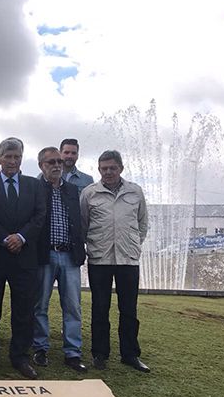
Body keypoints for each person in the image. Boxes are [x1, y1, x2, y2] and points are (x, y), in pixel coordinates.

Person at [0, 137, 46, 379]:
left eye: (17, 156)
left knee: (24, 310)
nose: (12, 161)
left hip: (25, 258)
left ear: (21, 159)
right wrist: (5, 238)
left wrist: (21, 237)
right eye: (8, 156)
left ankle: (20, 357)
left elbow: (39, 216)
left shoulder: (34, 186)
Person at [80, 150, 150, 372]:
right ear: (99, 169)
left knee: (128, 309)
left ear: (121, 168)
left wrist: (134, 245)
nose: (108, 172)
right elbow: (83, 224)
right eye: (103, 168)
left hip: (128, 259)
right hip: (100, 258)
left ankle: (130, 354)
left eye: (112, 168)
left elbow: (142, 223)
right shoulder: (89, 193)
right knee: (100, 308)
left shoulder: (135, 192)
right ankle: (100, 354)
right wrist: (92, 245)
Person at [32, 147, 87, 372]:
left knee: (73, 306)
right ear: (41, 166)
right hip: (44, 256)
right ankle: (40, 348)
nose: (56, 165)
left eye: (58, 162)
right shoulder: (35, 188)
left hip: (69, 255)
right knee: (40, 304)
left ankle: (73, 352)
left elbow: (80, 221)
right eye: (50, 162)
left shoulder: (73, 190)